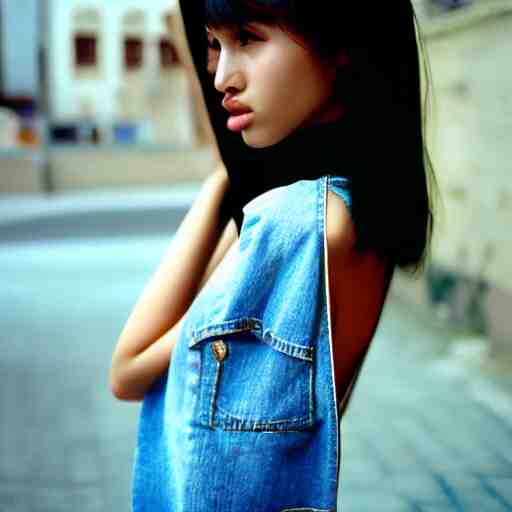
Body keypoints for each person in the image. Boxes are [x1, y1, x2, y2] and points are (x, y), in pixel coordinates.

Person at [110, 1, 439, 510]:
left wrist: (224, 178)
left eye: (247, 38)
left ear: (342, 47)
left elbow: (128, 370)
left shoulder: (295, 226)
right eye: (215, 45)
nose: (222, 77)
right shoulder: (353, 211)